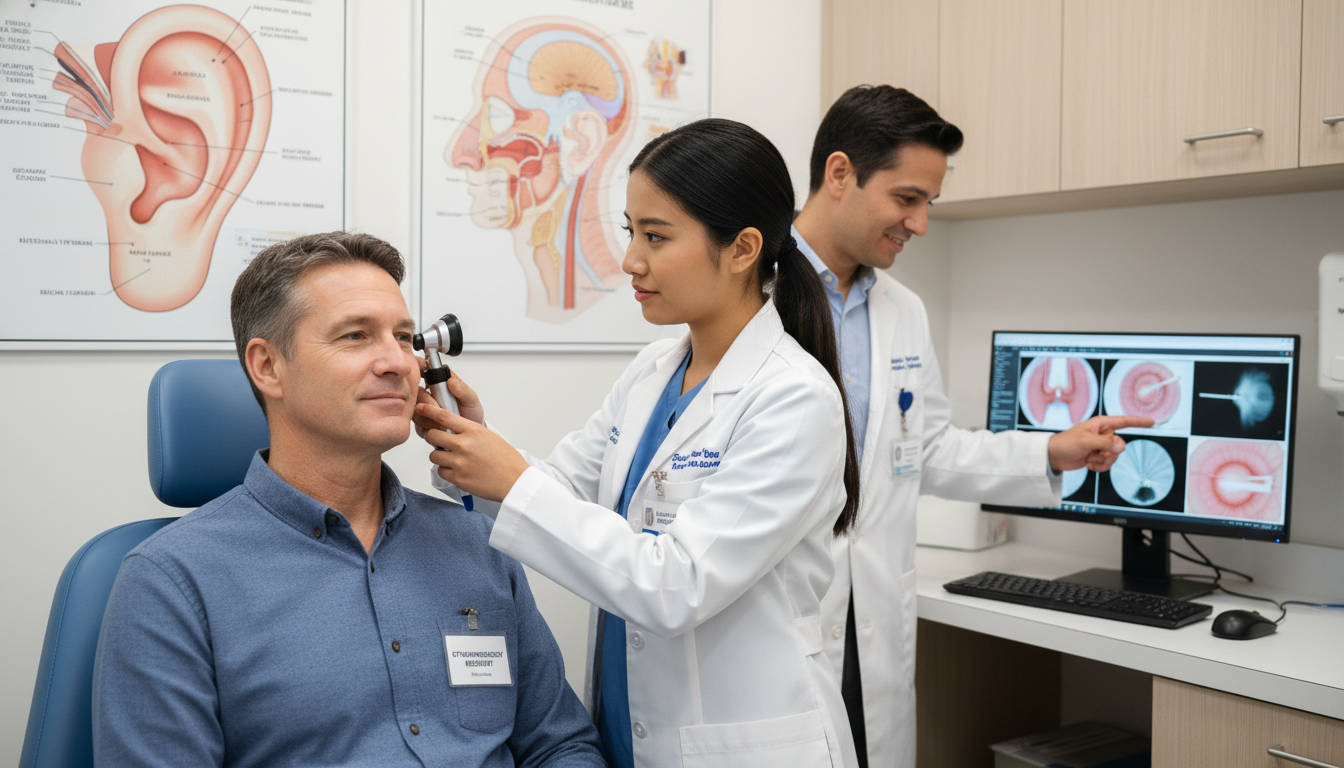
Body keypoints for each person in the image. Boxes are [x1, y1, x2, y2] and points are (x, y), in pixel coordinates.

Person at [416, 119, 864, 768]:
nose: (630, 259)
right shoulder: (653, 371)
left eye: (655, 236)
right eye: (630, 231)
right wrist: (468, 446)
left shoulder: (794, 399)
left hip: (743, 746)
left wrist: (512, 479)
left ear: (742, 249)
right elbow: (561, 490)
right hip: (632, 729)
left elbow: (676, 585)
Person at [93, 232, 604, 768]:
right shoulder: (172, 580)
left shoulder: (478, 543)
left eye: (403, 337)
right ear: (267, 367)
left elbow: (561, 746)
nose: (398, 363)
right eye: (356, 336)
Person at [790, 85, 1154, 768]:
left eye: (929, 202)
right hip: (782, 625)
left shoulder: (902, 309)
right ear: (840, 174)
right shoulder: (749, 291)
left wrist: (1052, 451)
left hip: (871, 624)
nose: (921, 224)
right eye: (907, 198)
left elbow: (925, 449)